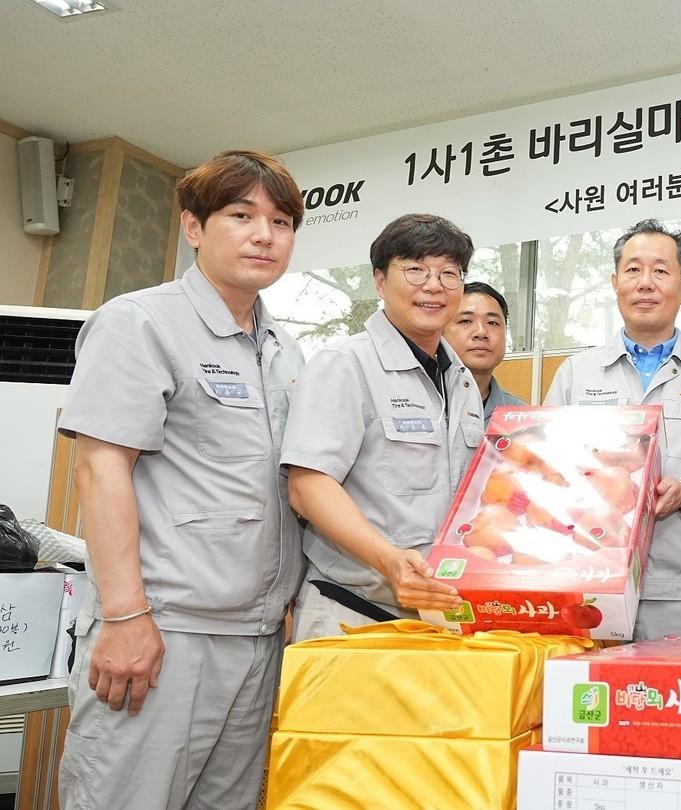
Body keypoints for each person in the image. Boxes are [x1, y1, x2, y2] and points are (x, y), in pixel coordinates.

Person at [57, 150, 306, 809]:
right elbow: (100, 465)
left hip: (256, 639)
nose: (263, 234)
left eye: (281, 222)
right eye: (240, 214)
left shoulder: (285, 349)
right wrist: (125, 617)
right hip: (163, 630)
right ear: (193, 227)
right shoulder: (140, 321)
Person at [545, 218, 681, 639]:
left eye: (661, 271)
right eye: (633, 269)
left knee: (674, 698)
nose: (645, 282)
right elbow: (545, 470)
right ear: (615, 282)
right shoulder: (576, 373)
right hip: (587, 584)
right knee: (587, 702)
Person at [281, 213, 483, 641]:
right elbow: (308, 486)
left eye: (450, 273)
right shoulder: (345, 364)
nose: (433, 285)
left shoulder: (461, 377)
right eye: (415, 269)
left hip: (438, 621)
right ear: (379, 280)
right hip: (353, 614)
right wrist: (388, 559)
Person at [444, 280, 525, 424]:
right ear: (440, 332)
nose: (481, 332)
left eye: (492, 323)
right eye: (466, 321)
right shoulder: (419, 402)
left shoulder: (521, 416)